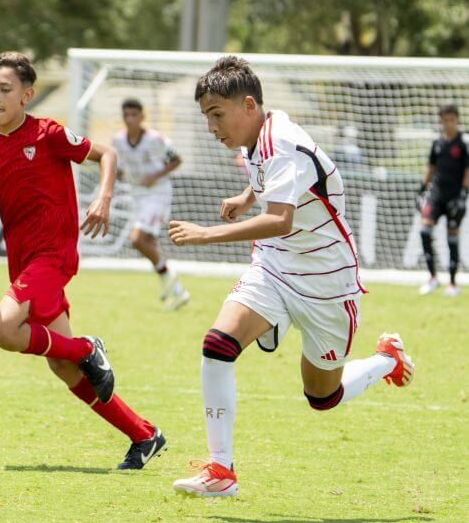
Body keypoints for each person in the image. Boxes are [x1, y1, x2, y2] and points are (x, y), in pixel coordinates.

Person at [168, 56, 414, 497]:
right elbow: (275, 180)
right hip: (276, 265)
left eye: (216, 115)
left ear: (248, 105)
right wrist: (248, 196)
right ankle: (221, 470)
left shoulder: (281, 141)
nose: (211, 127)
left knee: (323, 397)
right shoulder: (258, 133)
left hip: (326, 283)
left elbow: (281, 219)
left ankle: (386, 360)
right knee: (218, 344)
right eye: (206, 116)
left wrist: (206, 234)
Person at [0, 52, 166, 470]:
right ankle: (144, 435)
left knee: (1, 329)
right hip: (22, 261)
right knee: (62, 364)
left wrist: (103, 198)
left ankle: (87, 347)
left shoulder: (48, 133)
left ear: (27, 96)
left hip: (54, 254)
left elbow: (107, 155)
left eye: (5, 89)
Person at [112, 98, 189, 310]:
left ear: (142, 116)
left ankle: (169, 276)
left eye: (133, 115)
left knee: (137, 239)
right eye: (126, 115)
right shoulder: (118, 141)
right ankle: (178, 291)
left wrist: (155, 175)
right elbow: (120, 168)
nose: (130, 119)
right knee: (148, 243)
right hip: (136, 195)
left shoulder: (155, 139)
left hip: (157, 194)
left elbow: (176, 160)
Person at [417, 104, 468, 297]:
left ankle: (452, 284)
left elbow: (467, 170)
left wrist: (464, 193)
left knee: (452, 238)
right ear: (441, 122)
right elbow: (431, 167)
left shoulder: (463, 144)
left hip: (455, 196)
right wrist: (422, 188)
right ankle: (432, 277)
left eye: (452, 120)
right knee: (424, 230)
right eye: (445, 120)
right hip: (436, 195)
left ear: (457, 120)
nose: (449, 124)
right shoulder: (437, 143)